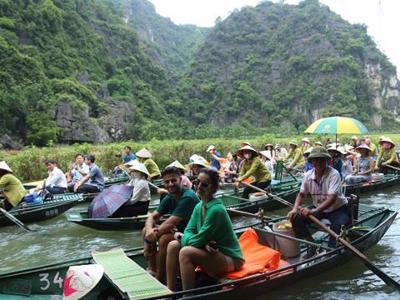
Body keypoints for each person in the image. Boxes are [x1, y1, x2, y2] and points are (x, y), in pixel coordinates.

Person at [166, 168, 244, 291]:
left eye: (204, 184)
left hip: (231, 258)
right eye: (197, 182)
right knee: (172, 245)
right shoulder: (199, 206)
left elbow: (197, 240)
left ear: (213, 188)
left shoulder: (216, 210)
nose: (199, 186)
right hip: (213, 251)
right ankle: (169, 292)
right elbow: (189, 231)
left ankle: (188, 295)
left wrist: (180, 236)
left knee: (186, 252)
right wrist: (196, 241)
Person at [287, 147, 350, 258]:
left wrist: (315, 211)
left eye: (322, 159)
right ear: (311, 161)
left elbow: (332, 198)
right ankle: (313, 245)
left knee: (338, 225)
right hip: (319, 208)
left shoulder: (334, 174)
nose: (319, 162)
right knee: (295, 218)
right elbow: (301, 194)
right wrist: (295, 208)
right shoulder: (308, 175)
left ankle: (332, 251)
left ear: (327, 161)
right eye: (315, 160)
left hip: (337, 209)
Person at [142, 167, 200, 283]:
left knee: (164, 239)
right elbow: (151, 217)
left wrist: (148, 242)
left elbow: (169, 225)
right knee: (145, 230)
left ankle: (161, 276)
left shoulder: (188, 197)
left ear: (180, 180)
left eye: (173, 180)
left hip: (193, 235)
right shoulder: (170, 196)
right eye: (167, 182)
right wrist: (148, 232)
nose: (170, 184)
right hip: (179, 232)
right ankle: (152, 269)